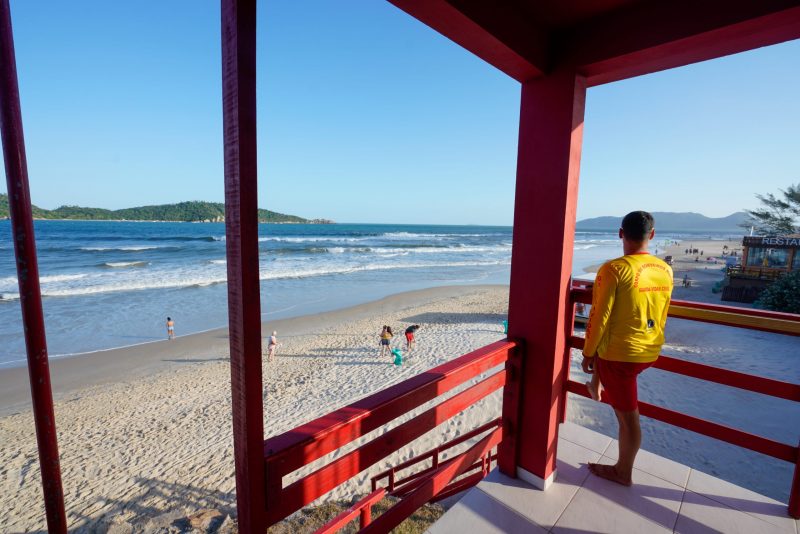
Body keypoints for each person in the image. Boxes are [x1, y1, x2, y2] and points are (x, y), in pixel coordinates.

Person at [581, 211, 673, 486]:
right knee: (612, 373)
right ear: (652, 235)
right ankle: (596, 384)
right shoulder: (665, 269)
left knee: (628, 419)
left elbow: (598, 316)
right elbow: (664, 310)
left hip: (621, 356)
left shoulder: (614, 269)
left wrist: (587, 352)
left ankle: (623, 472)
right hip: (650, 349)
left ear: (620, 233)